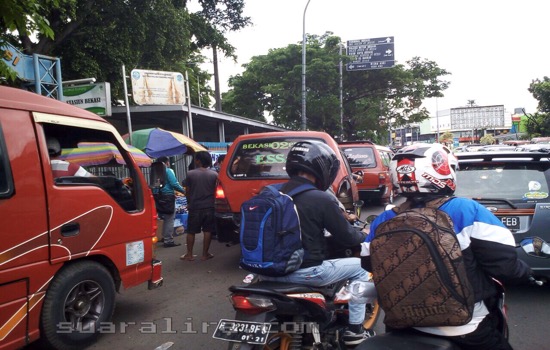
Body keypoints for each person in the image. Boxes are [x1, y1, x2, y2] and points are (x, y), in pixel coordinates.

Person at [362, 143, 533, 350]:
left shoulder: (384, 218)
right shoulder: (466, 209)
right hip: (465, 326)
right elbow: (505, 267)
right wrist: (526, 273)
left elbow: (369, 263)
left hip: (402, 322)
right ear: (442, 170)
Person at [260, 140, 374, 346]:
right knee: (360, 269)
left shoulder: (271, 193)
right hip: (303, 272)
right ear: (323, 169)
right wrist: (365, 235)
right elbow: (347, 237)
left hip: (265, 271)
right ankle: (356, 330)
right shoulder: (320, 198)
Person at [180, 151, 218, 261]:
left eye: (196, 159)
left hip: (195, 207)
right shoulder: (214, 174)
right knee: (208, 231)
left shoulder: (191, 174)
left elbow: (188, 191)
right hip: (210, 206)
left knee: (191, 231)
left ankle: (189, 254)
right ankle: (205, 254)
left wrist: (189, 202)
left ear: (199, 161)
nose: (195, 161)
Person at [155, 156, 185, 248]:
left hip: (158, 196)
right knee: (169, 218)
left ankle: (164, 237)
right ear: (167, 162)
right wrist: (184, 191)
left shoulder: (156, 171)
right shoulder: (168, 171)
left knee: (164, 217)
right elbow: (174, 184)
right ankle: (168, 240)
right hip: (167, 197)